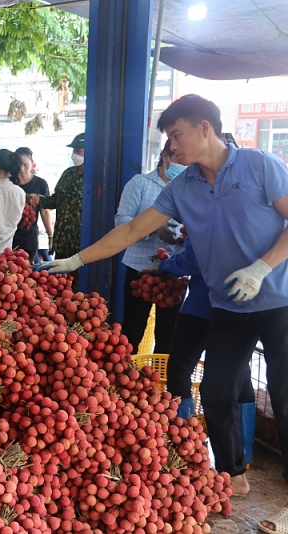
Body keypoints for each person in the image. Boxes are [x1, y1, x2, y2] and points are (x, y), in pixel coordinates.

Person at [34, 94, 288, 518]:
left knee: (284, 392)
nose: (171, 145)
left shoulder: (259, 165)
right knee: (215, 389)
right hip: (227, 305)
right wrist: (78, 260)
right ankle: (232, 472)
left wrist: (261, 268)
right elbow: (133, 229)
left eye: (176, 134)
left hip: (278, 299)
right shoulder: (182, 187)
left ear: (205, 128)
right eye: (169, 137)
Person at [159, 238, 256, 465]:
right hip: (240, 308)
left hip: (202, 307)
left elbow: (193, 260)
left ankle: (185, 448)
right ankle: (243, 455)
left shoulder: (210, 214)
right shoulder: (252, 219)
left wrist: (165, 266)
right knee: (240, 374)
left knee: (180, 369)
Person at [115, 140, 186, 354]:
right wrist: (152, 228)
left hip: (175, 271)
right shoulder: (140, 183)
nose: (183, 166)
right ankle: (128, 380)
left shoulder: (189, 189)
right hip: (139, 269)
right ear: (165, 157)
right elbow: (121, 221)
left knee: (169, 337)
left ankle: (161, 382)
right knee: (132, 333)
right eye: (177, 160)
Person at [28, 133, 85, 284]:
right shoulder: (68, 174)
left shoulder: (95, 177)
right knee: (61, 283)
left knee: (81, 286)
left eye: (79, 150)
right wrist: (39, 198)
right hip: (62, 241)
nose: (75, 154)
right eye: (74, 150)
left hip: (82, 244)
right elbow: (55, 201)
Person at [12, 147, 54, 262]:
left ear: (32, 164)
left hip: (29, 237)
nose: (22, 169)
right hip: (8, 236)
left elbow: (45, 211)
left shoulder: (41, 184)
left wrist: (51, 235)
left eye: (26, 165)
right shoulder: (9, 183)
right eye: (19, 164)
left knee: (27, 270)